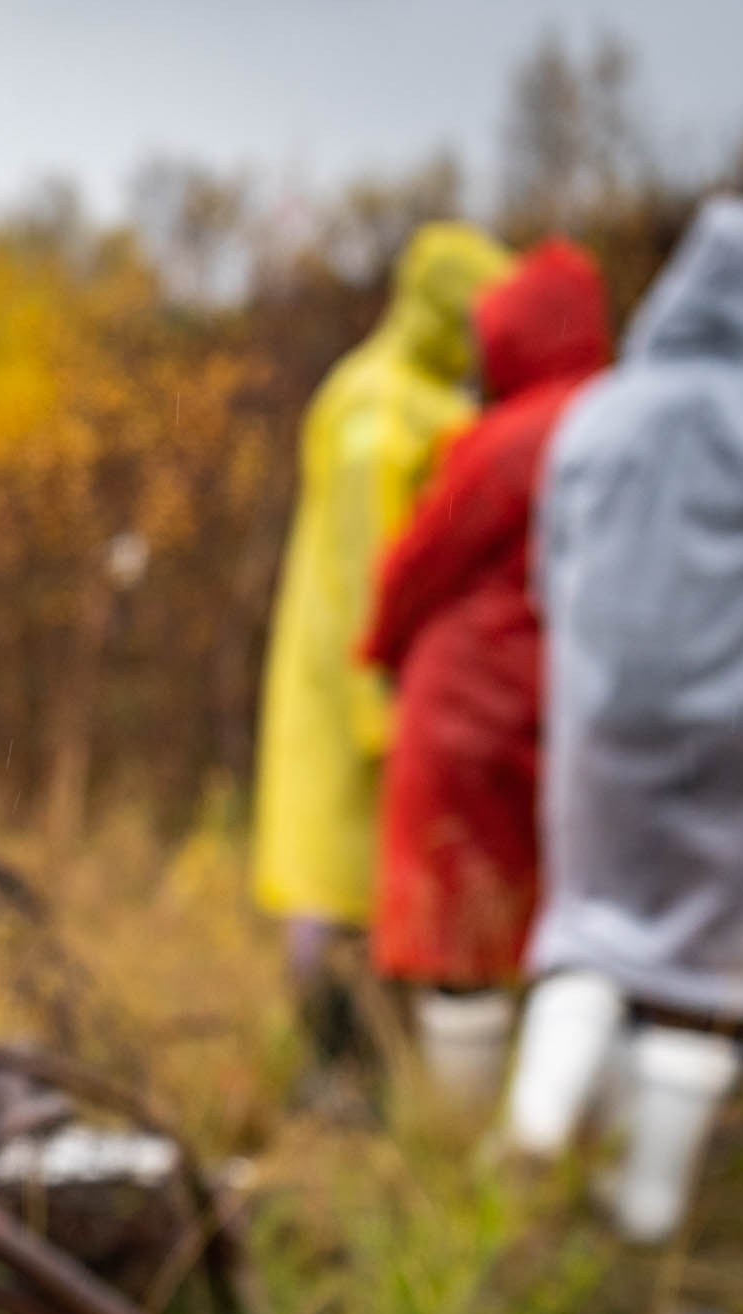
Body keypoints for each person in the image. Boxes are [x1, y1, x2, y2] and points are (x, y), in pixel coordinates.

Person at [504, 194, 743, 1244]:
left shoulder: (598, 415)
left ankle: (533, 1126)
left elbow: (550, 572)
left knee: (590, 923)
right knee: (714, 956)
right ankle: (644, 1208)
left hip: (606, 726)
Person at [252, 223, 512, 1087]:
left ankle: (370, 1067)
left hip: (399, 680)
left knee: (377, 877)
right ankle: (335, 1072)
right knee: (335, 877)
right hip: (355, 682)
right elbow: (373, 563)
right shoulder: (378, 404)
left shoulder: (423, 402)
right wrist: (379, 703)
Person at [359, 239, 611, 1112]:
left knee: (459, 931)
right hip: (588, 702)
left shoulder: (502, 443)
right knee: (569, 919)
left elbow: (417, 564)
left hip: (470, 704)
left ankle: (461, 1143)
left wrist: (379, 649)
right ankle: (554, 1128)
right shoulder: (620, 424)